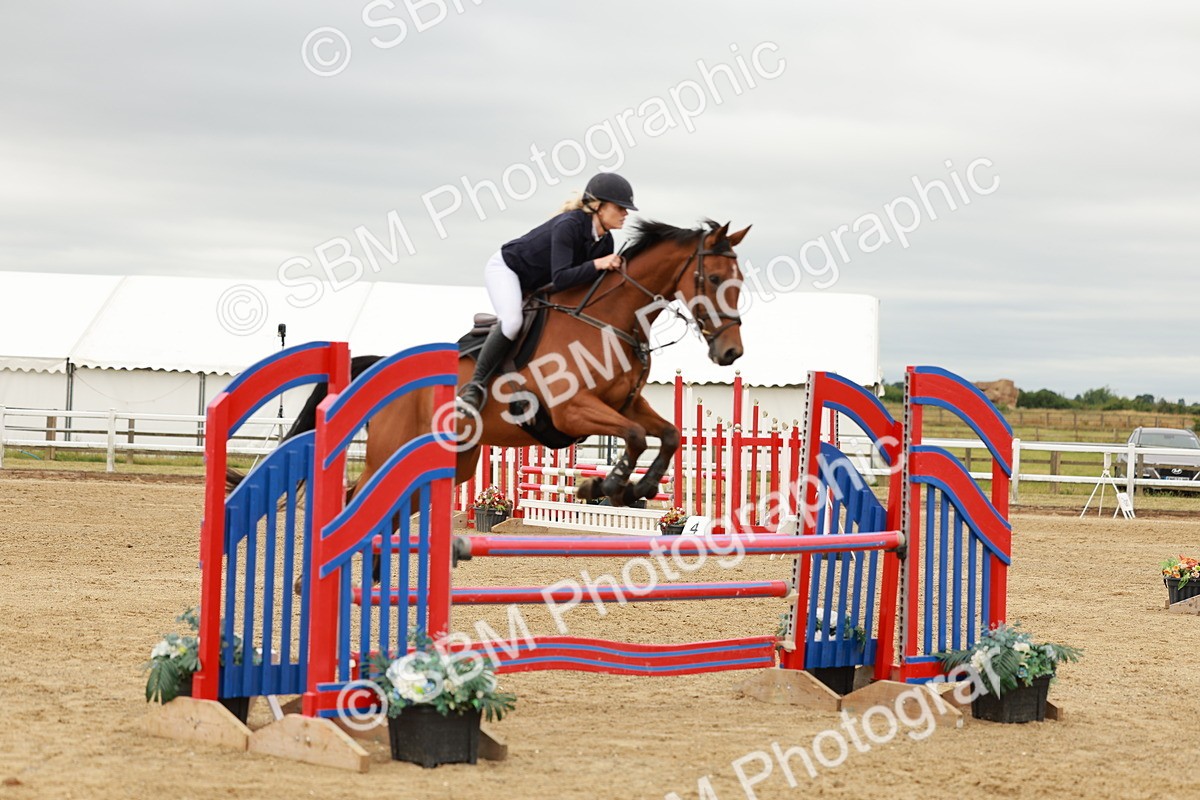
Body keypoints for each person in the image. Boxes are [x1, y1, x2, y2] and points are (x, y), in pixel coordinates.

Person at [457, 172, 638, 411]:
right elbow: (562, 278)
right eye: (620, 207)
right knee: (512, 322)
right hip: (509, 270)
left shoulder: (605, 242)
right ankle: (475, 387)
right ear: (598, 206)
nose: (626, 213)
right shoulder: (569, 226)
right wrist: (598, 264)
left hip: (540, 283)